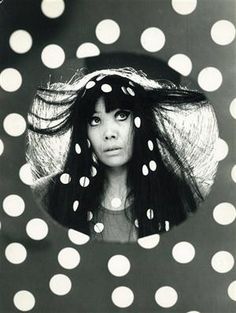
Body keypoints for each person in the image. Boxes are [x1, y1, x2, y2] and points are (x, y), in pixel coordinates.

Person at [26, 67, 219, 242]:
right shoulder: (47, 196)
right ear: (83, 131)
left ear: (142, 122)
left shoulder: (185, 195)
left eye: (121, 116)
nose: (109, 133)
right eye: (95, 120)